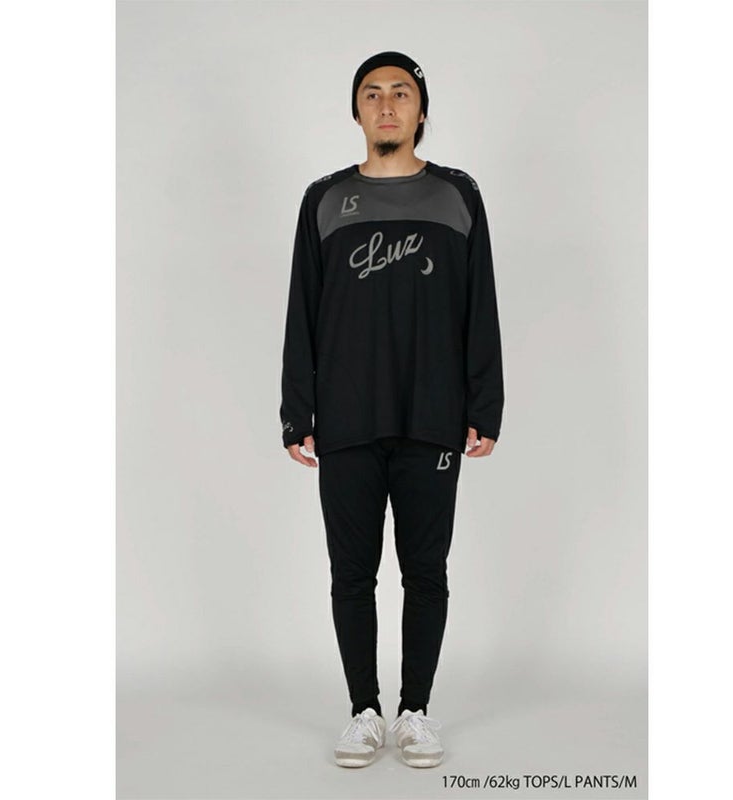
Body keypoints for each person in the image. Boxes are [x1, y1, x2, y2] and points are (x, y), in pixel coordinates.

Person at [279, 51, 504, 768]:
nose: (386, 104)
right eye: (372, 93)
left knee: (425, 572)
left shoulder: (457, 196)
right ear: (356, 111)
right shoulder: (323, 200)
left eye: (400, 93)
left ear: (421, 110)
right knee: (352, 575)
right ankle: (363, 712)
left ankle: (415, 713)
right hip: (346, 419)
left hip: (433, 416)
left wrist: (485, 403)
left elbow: (480, 304)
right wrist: (297, 410)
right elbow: (301, 311)